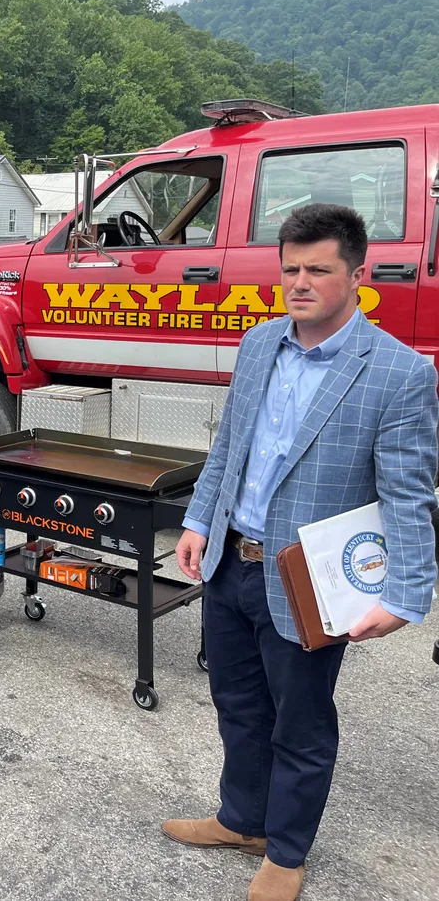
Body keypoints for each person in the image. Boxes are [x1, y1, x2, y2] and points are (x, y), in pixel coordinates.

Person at [168, 203, 438, 901]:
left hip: (310, 579)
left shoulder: (398, 373)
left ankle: (286, 854)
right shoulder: (260, 345)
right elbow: (230, 446)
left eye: (319, 269)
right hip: (232, 560)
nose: (300, 282)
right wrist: (199, 519)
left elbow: (409, 494)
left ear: (358, 273)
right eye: (290, 268)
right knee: (236, 704)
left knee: (303, 724)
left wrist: (407, 594)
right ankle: (244, 819)